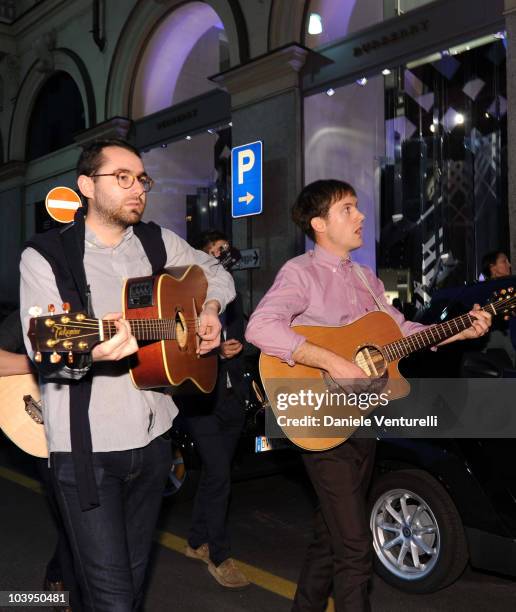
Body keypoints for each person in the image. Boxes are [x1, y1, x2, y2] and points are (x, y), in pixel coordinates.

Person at [245, 179, 491, 612]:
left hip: (363, 419)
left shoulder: (365, 277)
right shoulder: (300, 273)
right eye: (348, 209)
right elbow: (259, 327)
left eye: (357, 208)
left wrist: (458, 330)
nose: (360, 217)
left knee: (331, 535)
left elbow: (401, 335)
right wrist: (329, 360)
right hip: (318, 418)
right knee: (356, 550)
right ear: (319, 224)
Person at [19, 139, 235, 611]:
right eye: (122, 177)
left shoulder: (159, 243)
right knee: (112, 600)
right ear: (85, 187)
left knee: (130, 591)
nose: (137, 188)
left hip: (155, 443)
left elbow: (215, 271)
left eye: (141, 179)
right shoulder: (47, 256)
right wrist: (95, 351)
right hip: (87, 454)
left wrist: (211, 310)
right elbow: (46, 346)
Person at [180, 229, 250, 589]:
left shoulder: (232, 298)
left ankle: (196, 540)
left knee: (214, 473)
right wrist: (216, 352)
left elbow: (246, 339)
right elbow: (181, 352)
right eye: (212, 251)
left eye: (223, 249)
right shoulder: (187, 298)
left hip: (231, 399)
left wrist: (236, 351)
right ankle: (219, 554)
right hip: (199, 400)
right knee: (220, 474)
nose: (220, 255)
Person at [0, 310, 79, 612]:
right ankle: (64, 588)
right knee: (75, 518)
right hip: (48, 430)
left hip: (97, 427)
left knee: (87, 519)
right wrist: (38, 365)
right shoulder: (29, 309)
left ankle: (60, 577)